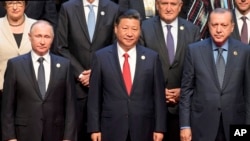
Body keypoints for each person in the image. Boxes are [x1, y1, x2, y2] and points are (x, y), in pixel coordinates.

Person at [87, 9, 167, 141]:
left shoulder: (152, 58)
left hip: (144, 127)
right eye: (125, 28)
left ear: (140, 31)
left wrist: (160, 128)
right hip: (111, 127)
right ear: (116, 29)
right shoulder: (101, 57)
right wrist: (94, 128)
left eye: (134, 29)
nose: (129, 33)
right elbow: (94, 96)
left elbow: (158, 96)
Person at [179, 8, 250, 141]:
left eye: (224, 25)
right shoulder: (194, 51)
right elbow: (186, 92)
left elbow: (248, 94)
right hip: (202, 124)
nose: (218, 30)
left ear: (232, 27)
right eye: (214, 25)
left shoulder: (244, 51)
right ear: (208, 25)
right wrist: (184, 126)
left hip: (236, 123)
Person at [1, 20, 76, 141]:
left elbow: (70, 105)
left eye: (47, 37)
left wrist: (68, 137)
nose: (42, 41)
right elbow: (7, 105)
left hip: (55, 133)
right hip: (24, 133)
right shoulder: (15, 65)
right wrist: (10, 137)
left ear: (52, 39)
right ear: (30, 37)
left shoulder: (64, 65)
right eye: (38, 36)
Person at [56, 0, 119, 140]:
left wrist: (96, 72)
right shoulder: (68, 8)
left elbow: (116, 46)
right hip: (75, 86)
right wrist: (79, 73)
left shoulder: (113, 8)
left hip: (104, 87)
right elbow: (61, 47)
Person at [140, 0, 200, 141]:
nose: (168, 8)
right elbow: (138, 68)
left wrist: (183, 91)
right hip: (151, 109)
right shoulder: (143, 28)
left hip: (182, 110)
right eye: (164, 3)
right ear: (157, 5)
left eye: (173, 4)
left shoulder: (193, 31)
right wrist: (158, 91)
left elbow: (199, 69)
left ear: (180, 7)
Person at [0, 1, 36, 140]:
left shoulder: (36, 25)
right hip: (2, 92)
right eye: (11, 3)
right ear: (4, 6)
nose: (15, 7)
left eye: (19, 3)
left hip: (31, 94)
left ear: (25, 5)